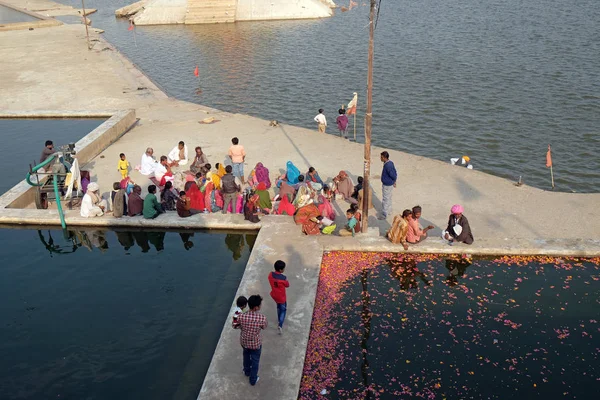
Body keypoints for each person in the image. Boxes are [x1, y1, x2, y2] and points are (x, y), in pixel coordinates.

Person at [233, 294, 267, 386]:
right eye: (260, 305)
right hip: (255, 343)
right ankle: (253, 379)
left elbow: (234, 325)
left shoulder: (241, 316)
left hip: (244, 341)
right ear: (256, 307)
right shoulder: (262, 318)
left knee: (246, 356)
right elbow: (264, 327)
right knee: (255, 360)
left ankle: (247, 371)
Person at [268, 260, 289, 334]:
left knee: (278, 307)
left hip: (274, 295)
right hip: (281, 297)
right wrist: (286, 280)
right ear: (280, 270)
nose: (284, 269)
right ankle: (280, 325)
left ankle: (278, 318)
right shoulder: (283, 278)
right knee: (283, 310)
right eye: (283, 268)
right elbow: (287, 285)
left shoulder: (270, 275)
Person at [379, 151, 397, 220]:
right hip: (389, 183)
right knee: (389, 197)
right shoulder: (390, 163)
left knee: (385, 199)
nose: (380, 158)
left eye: (381, 157)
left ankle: (384, 214)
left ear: (384, 157)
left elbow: (393, 174)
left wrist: (394, 180)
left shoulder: (388, 165)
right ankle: (389, 211)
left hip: (387, 184)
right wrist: (394, 181)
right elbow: (395, 172)